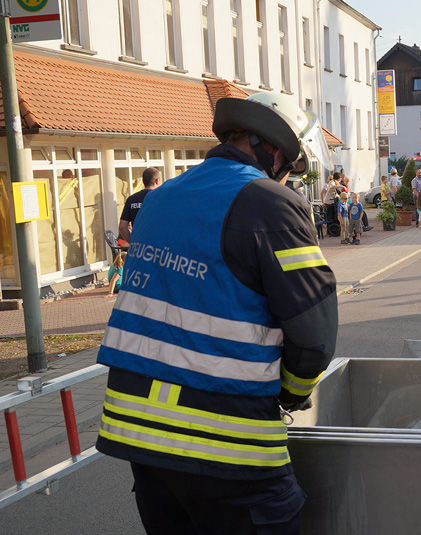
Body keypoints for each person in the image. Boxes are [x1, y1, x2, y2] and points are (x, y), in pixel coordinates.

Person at [95, 92, 338, 534]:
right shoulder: (270, 203)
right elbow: (314, 338)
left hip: (141, 439)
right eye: (289, 168)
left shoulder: (161, 198)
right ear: (275, 150)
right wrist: (290, 396)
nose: (286, 178)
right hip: (227, 441)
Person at [118, 167, 161, 243]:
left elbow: (122, 227)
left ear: (143, 181)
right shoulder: (160, 198)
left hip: (139, 244)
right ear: (157, 181)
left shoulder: (131, 199)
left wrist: (132, 242)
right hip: (157, 243)